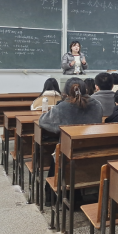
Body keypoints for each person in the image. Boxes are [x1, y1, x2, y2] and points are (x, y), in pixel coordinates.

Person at [39, 78, 102, 206]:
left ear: (65, 92)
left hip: (68, 153)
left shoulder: (62, 107)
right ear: (85, 89)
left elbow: (43, 122)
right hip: (92, 150)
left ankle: (50, 197)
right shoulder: (97, 105)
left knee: (58, 154)